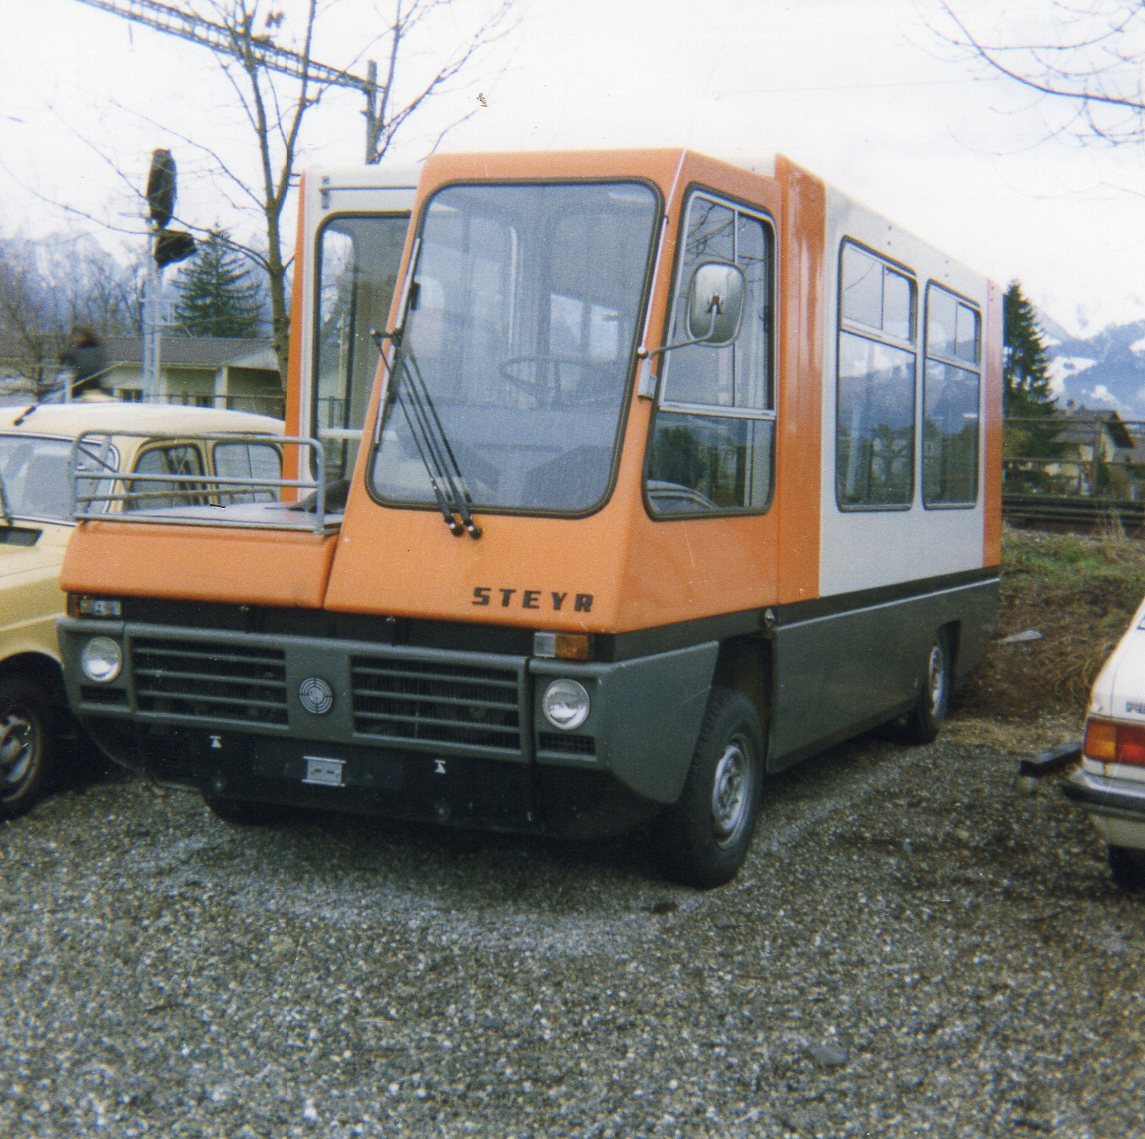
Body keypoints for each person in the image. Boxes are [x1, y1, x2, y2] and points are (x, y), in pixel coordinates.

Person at [60, 327, 109, 397]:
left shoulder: (94, 349)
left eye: (79, 336)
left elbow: (94, 365)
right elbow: (70, 363)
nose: (77, 339)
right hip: (80, 381)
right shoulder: (77, 350)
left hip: (92, 382)